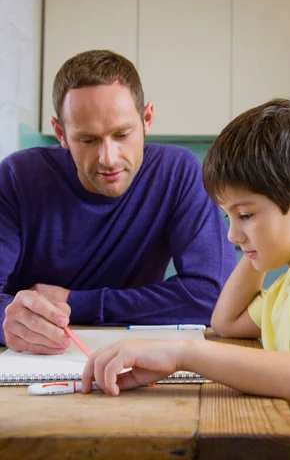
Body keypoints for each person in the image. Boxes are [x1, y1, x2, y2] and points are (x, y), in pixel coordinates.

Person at [81, 98, 290, 460]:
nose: (232, 234)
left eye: (246, 214)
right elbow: (227, 321)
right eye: (229, 216)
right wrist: (260, 250)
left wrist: (184, 352)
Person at [0, 49, 236, 354]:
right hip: (31, 361)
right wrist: (8, 322)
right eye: (88, 140)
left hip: (135, 359)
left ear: (147, 118)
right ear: (60, 133)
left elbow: (215, 297)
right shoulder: (18, 177)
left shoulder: (177, 172)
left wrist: (75, 302)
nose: (108, 159)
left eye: (122, 134)